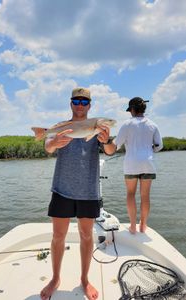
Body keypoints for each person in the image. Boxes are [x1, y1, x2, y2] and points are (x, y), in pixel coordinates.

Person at [39, 87, 114, 300]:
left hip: (88, 191)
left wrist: (106, 140)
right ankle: (55, 278)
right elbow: (48, 147)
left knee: (85, 235)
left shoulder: (99, 129)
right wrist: (52, 142)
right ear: (71, 103)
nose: (80, 105)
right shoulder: (62, 126)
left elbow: (110, 150)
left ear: (90, 105)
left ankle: (84, 278)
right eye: (76, 101)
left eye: (84, 102)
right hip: (62, 189)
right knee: (58, 236)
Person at [107, 97, 163, 234]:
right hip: (148, 163)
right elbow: (159, 146)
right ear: (143, 109)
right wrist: (150, 150)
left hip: (131, 163)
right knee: (145, 196)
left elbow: (116, 144)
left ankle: (132, 226)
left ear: (132, 109)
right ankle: (143, 225)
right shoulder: (153, 125)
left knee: (130, 194)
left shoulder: (127, 124)